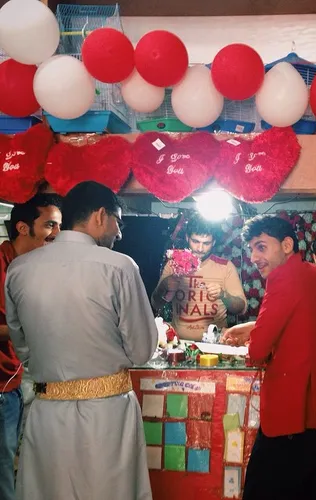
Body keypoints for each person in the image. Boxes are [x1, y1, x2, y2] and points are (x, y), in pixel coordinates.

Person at [5, 181, 158, 500]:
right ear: (101, 215)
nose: (119, 233)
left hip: (47, 412)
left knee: (49, 490)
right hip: (107, 413)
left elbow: (24, 348)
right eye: (118, 220)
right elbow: (142, 349)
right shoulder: (119, 267)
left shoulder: (19, 270)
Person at [222, 215, 316, 500]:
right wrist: (254, 326)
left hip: (295, 417)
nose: (254, 257)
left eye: (261, 247)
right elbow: (302, 326)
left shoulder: (283, 278)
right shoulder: (315, 275)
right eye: (251, 249)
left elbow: (257, 351)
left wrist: (257, 337)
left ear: (286, 244)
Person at [0, 193, 62, 500]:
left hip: (15, 378)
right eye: (50, 224)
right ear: (23, 228)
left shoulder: (26, 266)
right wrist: (32, 330)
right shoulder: (3, 265)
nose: (56, 234)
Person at [151, 213, 247, 341]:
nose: (200, 248)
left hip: (215, 344)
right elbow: (155, 304)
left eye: (206, 243)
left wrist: (224, 295)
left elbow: (241, 308)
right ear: (187, 237)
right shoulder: (173, 264)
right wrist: (164, 286)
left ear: (213, 242)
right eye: (195, 241)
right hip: (179, 344)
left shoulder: (225, 267)